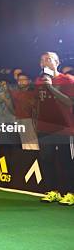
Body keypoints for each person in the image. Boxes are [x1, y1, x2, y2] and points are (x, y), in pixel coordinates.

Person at [35, 52, 74, 205]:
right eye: (42, 59)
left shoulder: (68, 80)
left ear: (57, 62)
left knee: (65, 159)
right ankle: (53, 191)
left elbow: (70, 102)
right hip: (44, 126)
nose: (45, 61)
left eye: (49, 59)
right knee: (47, 158)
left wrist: (51, 88)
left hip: (63, 127)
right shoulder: (39, 81)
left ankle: (70, 192)